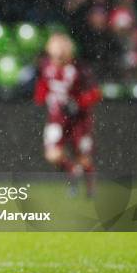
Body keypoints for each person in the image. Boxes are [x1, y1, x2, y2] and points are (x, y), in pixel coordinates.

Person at [34, 33, 102, 197]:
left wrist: (79, 103)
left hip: (79, 120)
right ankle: (72, 171)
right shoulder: (46, 67)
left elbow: (95, 93)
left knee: (83, 156)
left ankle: (90, 189)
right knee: (52, 154)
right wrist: (42, 97)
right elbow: (42, 88)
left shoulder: (79, 69)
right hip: (57, 119)